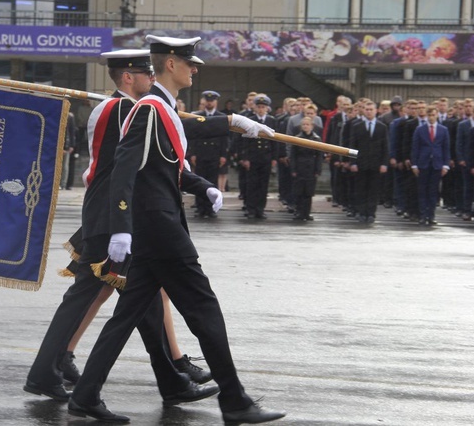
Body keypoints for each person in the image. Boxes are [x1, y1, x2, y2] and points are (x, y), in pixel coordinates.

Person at [69, 35, 285, 425]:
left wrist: (203, 184)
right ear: (170, 64)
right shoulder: (152, 110)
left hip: (153, 232)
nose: (195, 69)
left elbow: (166, 166)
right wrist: (120, 226)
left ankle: (84, 397)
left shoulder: (162, 109)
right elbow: (123, 169)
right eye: (189, 62)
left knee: (125, 318)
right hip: (160, 231)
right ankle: (235, 402)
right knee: (205, 311)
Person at [25, 49, 219, 408]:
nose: (151, 81)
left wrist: (232, 124)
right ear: (128, 77)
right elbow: (173, 129)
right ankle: (45, 372)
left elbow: (173, 128)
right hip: (112, 218)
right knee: (85, 298)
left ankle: (171, 377)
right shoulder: (122, 109)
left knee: (140, 298)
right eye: (146, 75)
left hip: (114, 216)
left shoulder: (126, 108)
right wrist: (230, 123)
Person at [189, 90, 228, 217]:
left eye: (212, 101)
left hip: (214, 154)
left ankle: (211, 208)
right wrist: (193, 153)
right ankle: (200, 207)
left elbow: (224, 138)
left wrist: (223, 155)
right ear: (204, 101)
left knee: (212, 181)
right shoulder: (198, 116)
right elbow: (194, 136)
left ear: (216, 102)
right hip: (201, 153)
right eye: (208, 100)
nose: (209, 103)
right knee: (199, 180)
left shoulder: (220, 116)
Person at [349, 101, 388, 224]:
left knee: (373, 190)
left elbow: (385, 147)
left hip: (376, 163)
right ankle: (361, 212)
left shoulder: (382, 127)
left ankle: (371, 213)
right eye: (366, 109)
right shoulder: (357, 126)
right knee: (360, 189)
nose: (369, 111)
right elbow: (352, 145)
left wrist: (384, 163)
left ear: (376, 111)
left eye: (371, 109)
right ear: (363, 111)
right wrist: (353, 162)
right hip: (361, 163)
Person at [411, 106, 450, 226]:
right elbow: (415, 147)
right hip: (423, 163)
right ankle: (423, 215)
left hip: (437, 164)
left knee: (433, 191)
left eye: (433, 115)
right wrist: (414, 165)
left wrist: (445, 165)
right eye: (430, 115)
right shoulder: (420, 129)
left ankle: (431, 215)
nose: (432, 117)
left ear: (437, 115)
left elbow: (446, 148)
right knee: (422, 190)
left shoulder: (443, 130)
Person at [241, 94, 277, 219]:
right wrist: (245, 158)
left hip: (266, 157)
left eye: (263, 107)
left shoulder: (272, 120)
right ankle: (250, 208)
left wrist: (274, 158)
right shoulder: (250, 119)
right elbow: (244, 141)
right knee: (252, 184)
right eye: (259, 107)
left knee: (263, 185)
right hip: (253, 157)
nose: (261, 109)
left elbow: (275, 141)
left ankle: (260, 209)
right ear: (255, 108)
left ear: (267, 108)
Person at [291, 116, 323, 221]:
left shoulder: (316, 139)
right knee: (299, 192)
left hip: (311, 167)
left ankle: (306, 213)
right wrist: (293, 169)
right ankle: (299, 212)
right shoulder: (297, 138)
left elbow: (319, 156)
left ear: (312, 126)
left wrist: (318, 170)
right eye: (303, 124)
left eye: (307, 124)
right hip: (300, 167)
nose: (305, 126)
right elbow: (293, 155)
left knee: (309, 193)